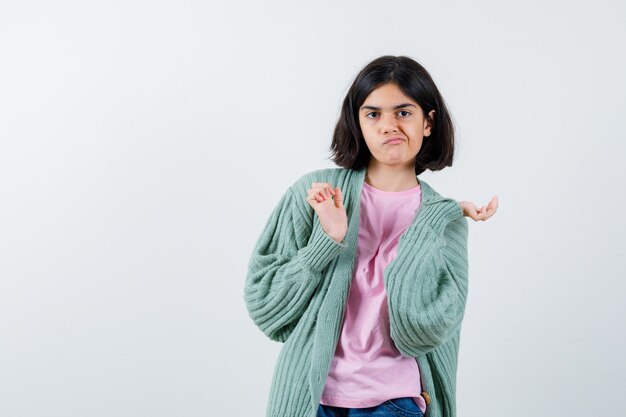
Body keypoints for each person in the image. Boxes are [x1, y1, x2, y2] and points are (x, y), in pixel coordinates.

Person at [244, 55, 498, 417]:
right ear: (358, 123)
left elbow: (423, 332)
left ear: (428, 122)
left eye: (404, 112)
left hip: (394, 402)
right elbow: (265, 304)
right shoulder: (315, 194)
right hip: (309, 399)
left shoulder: (444, 221)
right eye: (373, 113)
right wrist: (326, 241)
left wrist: (428, 225)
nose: (388, 125)